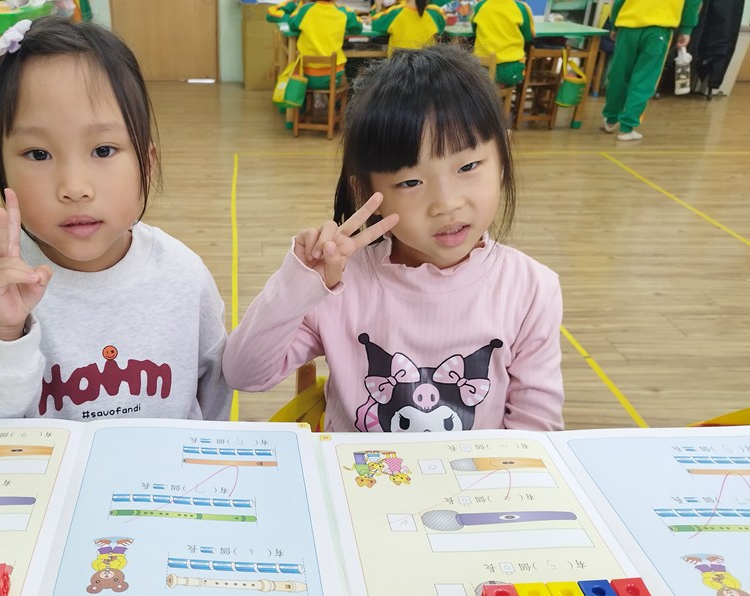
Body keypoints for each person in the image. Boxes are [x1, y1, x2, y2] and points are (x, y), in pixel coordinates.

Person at [223, 45, 563, 433]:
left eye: (468, 166)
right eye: (410, 182)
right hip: (351, 473)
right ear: (367, 194)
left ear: (502, 157)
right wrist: (301, 283)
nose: (446, 203)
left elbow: (536, 435)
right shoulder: (338, 284)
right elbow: (242, 373)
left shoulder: (531, 290)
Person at [0, 18, 231, 422]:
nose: (74, 188)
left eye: (103, 150)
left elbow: (214, 395)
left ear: (147, 164)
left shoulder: (183, 274)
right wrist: (1, 333)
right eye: (39, 154)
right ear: (1, 172)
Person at [601, 0, 702, 141]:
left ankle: (611, 119)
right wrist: (686, 29)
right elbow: (692, 3)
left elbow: (619, 1)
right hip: (659, 30)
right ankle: (626, 128)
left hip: (628, 26)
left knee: (619, 74)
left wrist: (614, 24)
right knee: (644, 79)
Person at [288, 0, 363, 91]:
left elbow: (292, 25)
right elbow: (357, 29)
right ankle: (338, 99)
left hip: (304, 77)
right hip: (333, 77)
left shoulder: (305, 10)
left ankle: (309, 98)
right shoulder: (345, 12)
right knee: (347, 79)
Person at [471, 0, 536, 87]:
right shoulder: (521, 8)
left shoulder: (480, 6)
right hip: (510, 72)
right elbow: (527, 37)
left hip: (481, 69)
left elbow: (474, 31)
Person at [370, 1, 447, 55]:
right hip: (428, 65)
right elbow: (442, 26)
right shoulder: (435, 14)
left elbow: (373, 24)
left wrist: (378, 7)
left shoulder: (395, 13)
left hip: (399, 66)